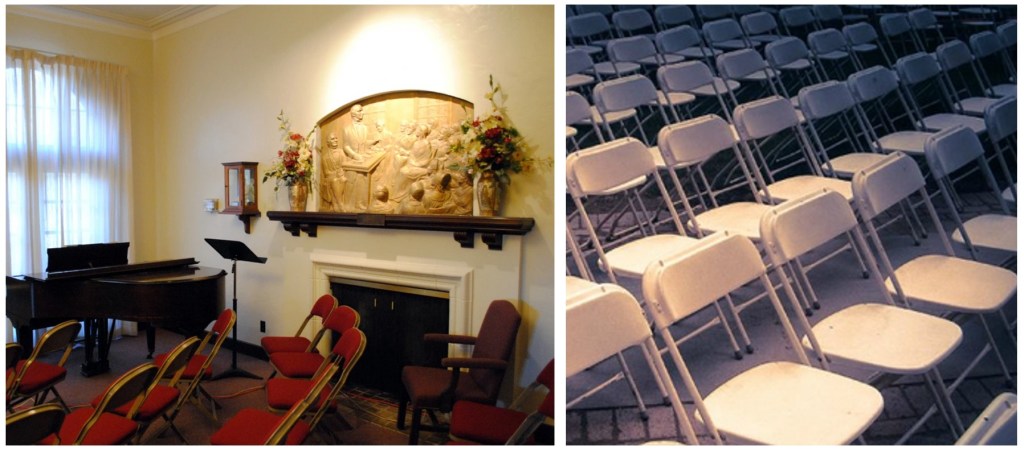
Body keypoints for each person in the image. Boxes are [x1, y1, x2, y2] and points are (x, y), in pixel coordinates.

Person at [319, 132, 347, 212]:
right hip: (330, 178)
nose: (335, 140)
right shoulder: (325, 157)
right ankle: (340, 204)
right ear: (328, 142)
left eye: (336, 138)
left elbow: (345, 164)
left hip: (342, 175)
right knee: (334, 180)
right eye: (332, 139)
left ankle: (335, 204)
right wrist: (336, 173)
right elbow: (326, 172)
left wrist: (341, 171)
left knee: (343, 180)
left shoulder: (341, 152)